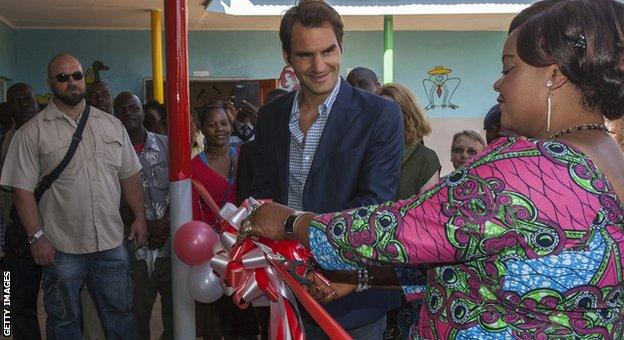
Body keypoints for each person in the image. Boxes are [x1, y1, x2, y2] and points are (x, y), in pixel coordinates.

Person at [246, 0, 624, 338]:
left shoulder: (531, 172)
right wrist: (363, 277)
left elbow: (398, 231)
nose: (498, 82)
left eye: (508, 69)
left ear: (554, 77)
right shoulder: (604, 155)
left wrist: (292, 223)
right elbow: (485, 264)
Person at [252, 1, 404, 338]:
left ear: (341, 46)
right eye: (305, 54)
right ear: (287, 56)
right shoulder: (271, 116)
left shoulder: (380, 115)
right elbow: (260, 198)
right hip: (284, 293)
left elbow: (373, 206)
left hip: (351, 301)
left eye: (328, 51)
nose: (320, 65)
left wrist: (300, 235)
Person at [0, 53, 147, 339]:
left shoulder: (111, 125)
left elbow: (129, 175)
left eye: (77, 76)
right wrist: (36, 237)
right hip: (61, 247)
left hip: (110, 243)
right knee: (64, 322)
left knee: (121, 317)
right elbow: (22, 191)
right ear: (50, 82)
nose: (72, 83)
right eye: (63, 78)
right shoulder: (32, 133)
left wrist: (139, 216)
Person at [376, 83, 440, 339]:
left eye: (391, 111)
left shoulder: (425, 158)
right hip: (368, 265)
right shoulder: (370, 155)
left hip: (406, 270)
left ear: (408, 115)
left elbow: (428, 222)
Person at [192, 104, 260, 339]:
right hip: (212, 250)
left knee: (242, 309)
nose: (219, 129)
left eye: (223, 123)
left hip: (244, 245)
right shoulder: (194, 167)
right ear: (202, 129)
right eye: (211, 125)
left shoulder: (242, 155)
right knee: (214, 314)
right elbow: (193, 212)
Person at [115, 92, 173, 340]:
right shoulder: (111, 154)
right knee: (137, 318)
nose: (129, 114)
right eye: (123, 110)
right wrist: (146, 225)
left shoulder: (167, 145)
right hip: (134, 251)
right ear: (115, 116)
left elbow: (182, 189)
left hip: (171, 248)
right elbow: (111, 200)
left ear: (143, 112)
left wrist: (165, 223)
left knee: (176, 318)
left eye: (134, 108)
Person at [0, 83, 41, 340]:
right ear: (9, 107)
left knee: (64, 304)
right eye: (18, 101)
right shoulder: (8, 138)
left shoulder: (53, 132)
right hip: (17, 233)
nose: (25, 104)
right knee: (13, 301)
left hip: (55, 229)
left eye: (29, 98)